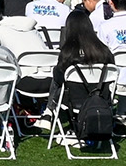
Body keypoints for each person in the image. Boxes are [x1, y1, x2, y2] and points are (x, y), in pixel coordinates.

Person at [52, 9, 115, 150]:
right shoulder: (104, 51)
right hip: (101, 99)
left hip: (74, 101)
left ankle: (50, 114)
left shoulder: (68, 52)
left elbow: (59, 78)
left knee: (58, 78)